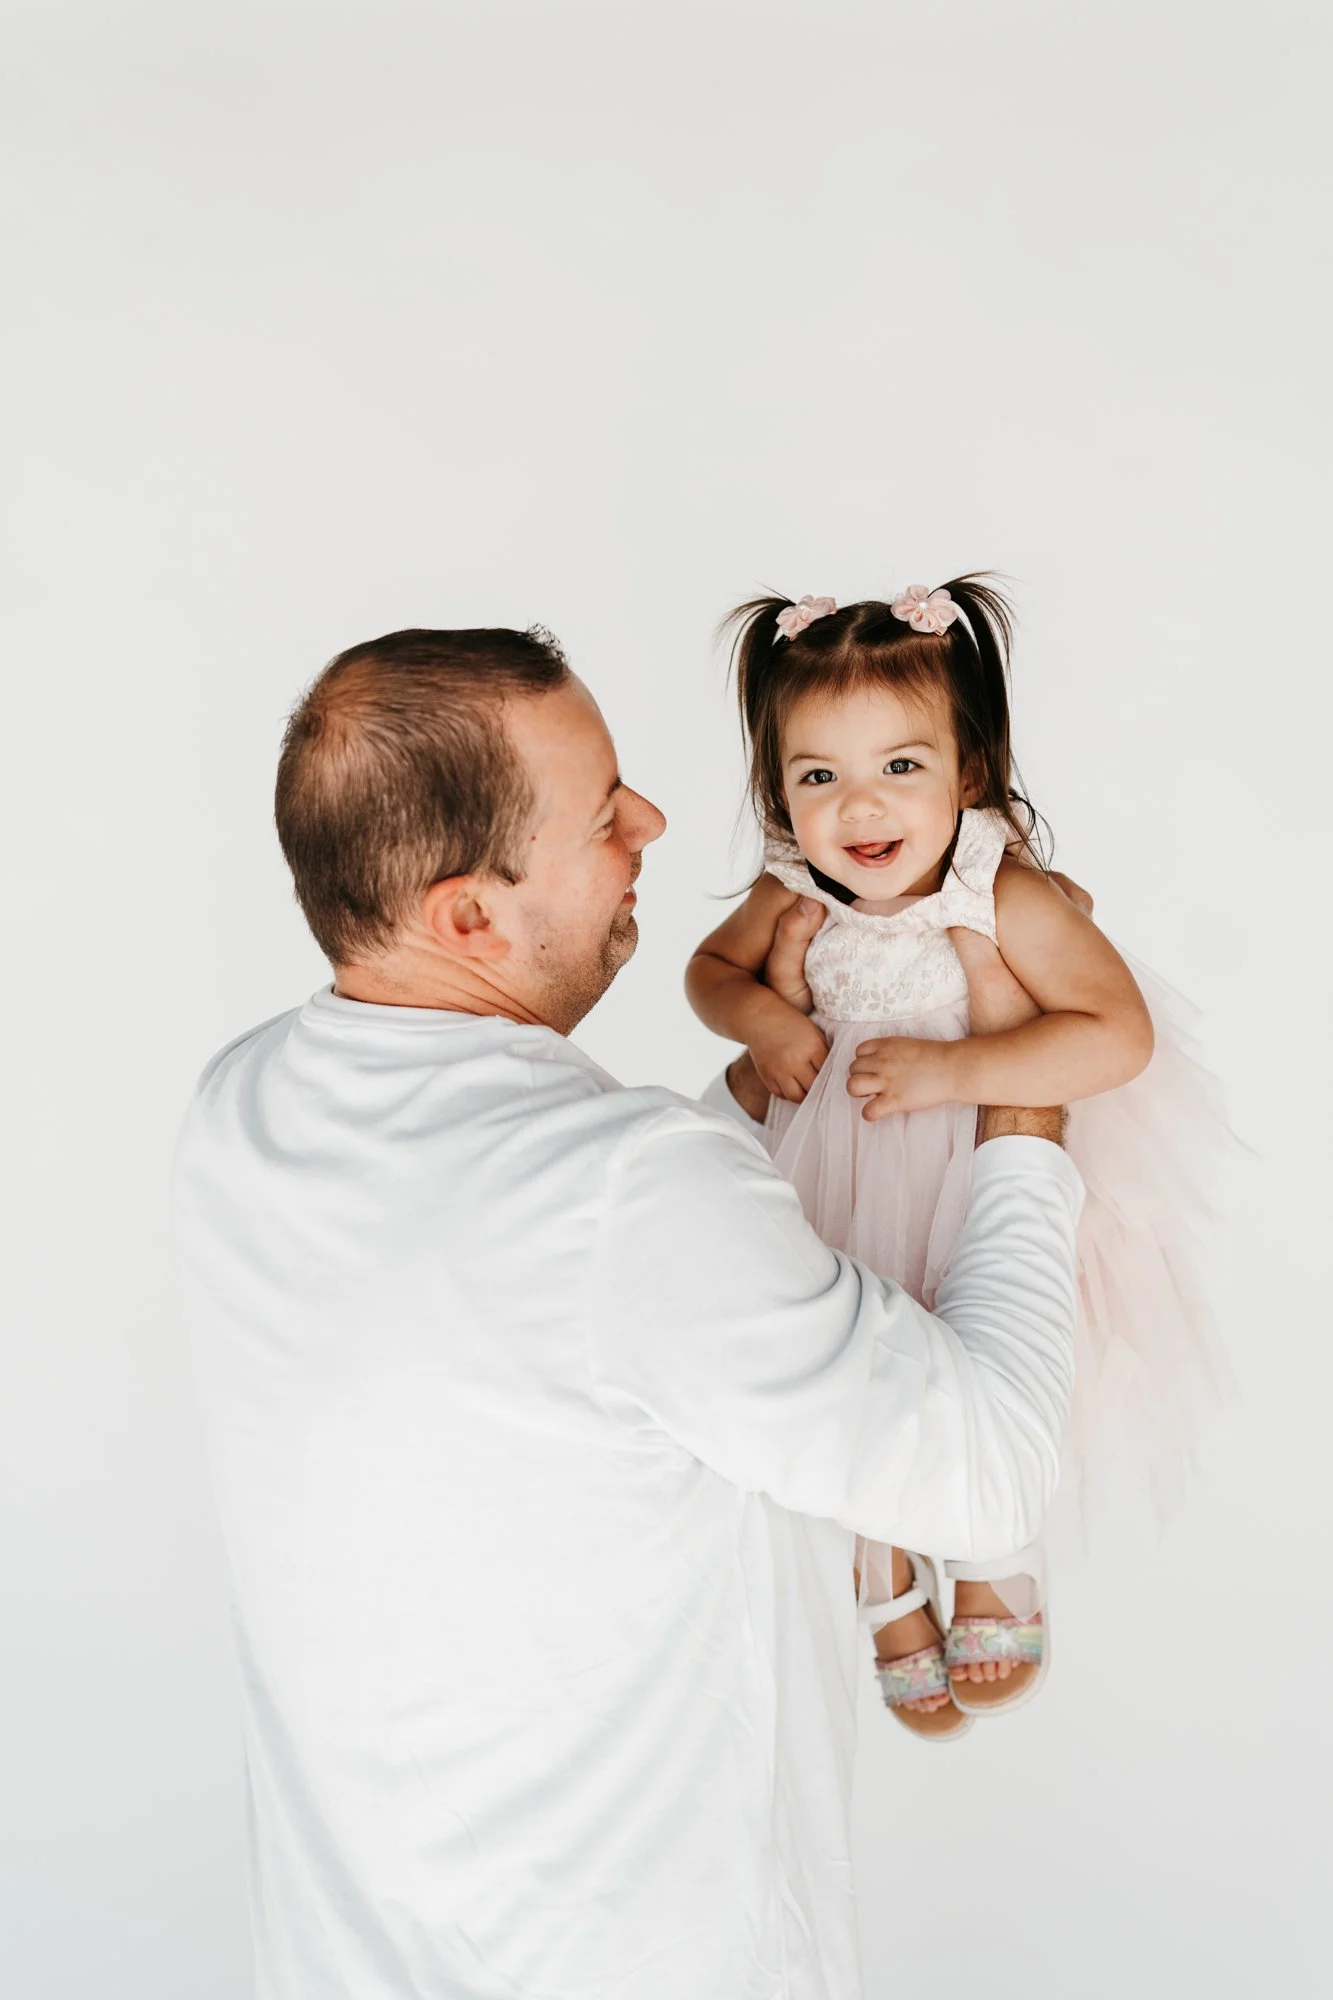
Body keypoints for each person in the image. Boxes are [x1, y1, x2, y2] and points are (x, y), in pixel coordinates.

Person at [172, 623, 1084, 2000]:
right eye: (603, 816)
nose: (655, 821)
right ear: (469, 917)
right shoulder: (632, 1194)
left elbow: (565, 1317)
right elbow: (994, 1463)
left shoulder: (239, 1112)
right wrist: (1022, 1119)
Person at [687, 578, 1230, 1741]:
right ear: (777, 792)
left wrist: (952, 1073)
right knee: (849, 1363)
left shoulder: (1001, 890)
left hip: (971, 1156)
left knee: (972, 1345)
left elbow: (1114, 1031)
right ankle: (878, 1573)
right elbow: (708, 974)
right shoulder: (791, 883)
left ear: (968, 772)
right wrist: (766, 1022)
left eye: (899, 767)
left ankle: (993, 1552)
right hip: (837, 1161)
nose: (856, 808)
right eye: (816, 775)